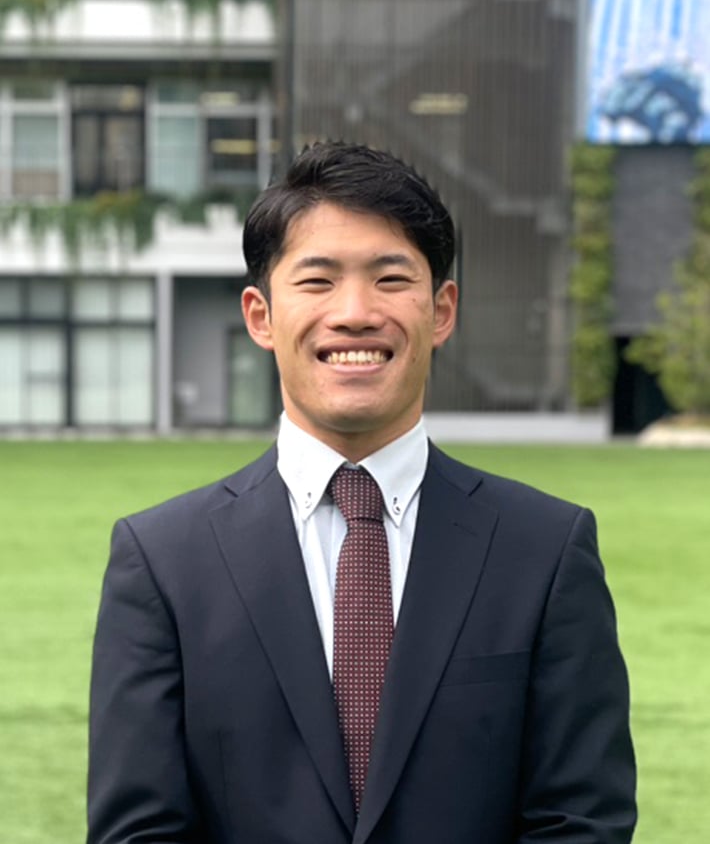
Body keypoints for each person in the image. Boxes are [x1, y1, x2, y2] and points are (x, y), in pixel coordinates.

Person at [87, 141, 636, 844]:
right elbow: (138, 831)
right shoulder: (163, 560)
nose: (354, 313)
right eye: (317, 280)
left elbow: (582, 821)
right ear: (260, 315)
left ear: (442, 311)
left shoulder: (545, 550)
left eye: (390, 278)